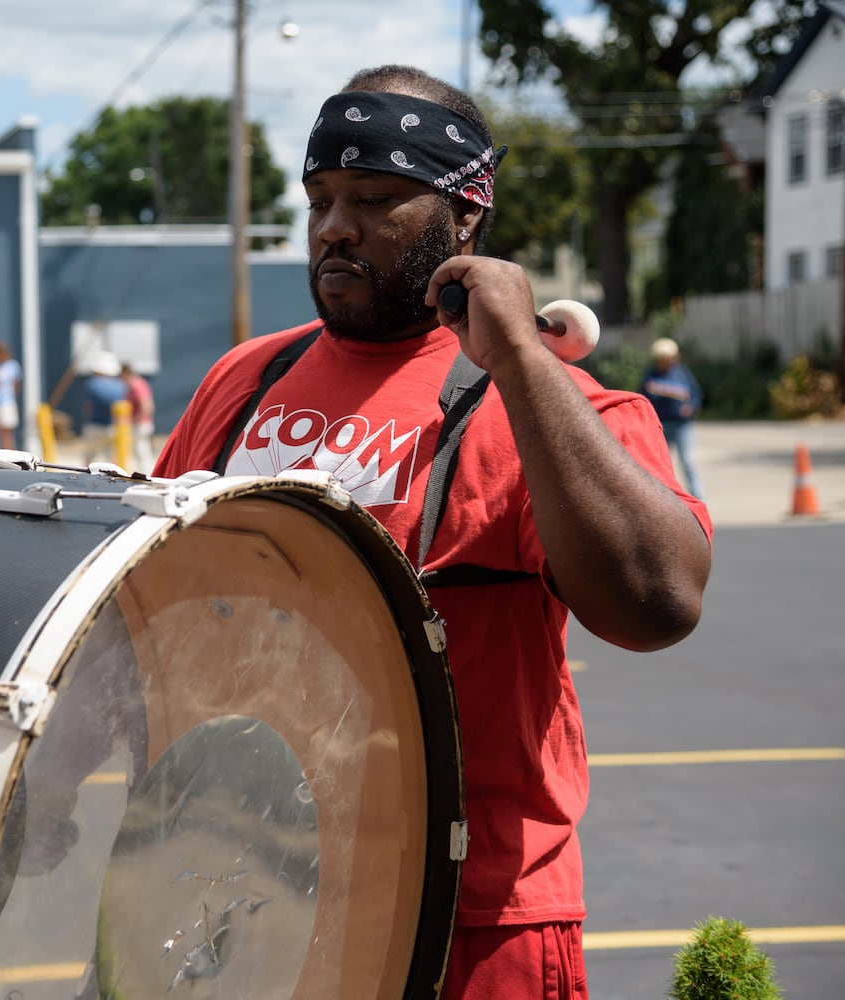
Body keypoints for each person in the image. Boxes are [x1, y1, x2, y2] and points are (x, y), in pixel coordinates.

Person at [153, 65, 712, 999]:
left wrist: (520, 359)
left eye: (375, 200)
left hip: (471, 917)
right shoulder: (243, 378)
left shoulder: (548, 406)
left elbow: (658, 602)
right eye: (321, 198)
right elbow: (151, 599)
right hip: (241, 899)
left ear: (465, 217)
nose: (336, 226)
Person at [641, 338, 706, 500]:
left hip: (682, 426)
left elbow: (696, 394)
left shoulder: (682, 373)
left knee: (688, 462)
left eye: (669, 359)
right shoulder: (651, 376)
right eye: (663, 359)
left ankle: (698, 498)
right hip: (661, 427)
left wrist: (691, 407)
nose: (667, 362)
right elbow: (642, 400)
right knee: (661, 465)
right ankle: (664, 499)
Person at [80, 351, 128, 467]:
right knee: (112, 460)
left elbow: (89, 407)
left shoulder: (92, 384)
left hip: (95, 425)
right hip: (115, 427)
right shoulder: (120, 385)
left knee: (89, 460)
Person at [119, 362, 156, 471]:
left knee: (142, 451)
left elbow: (146, 406)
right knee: (140, 451)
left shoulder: (136, 385)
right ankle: (146, 472)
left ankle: (148, 474)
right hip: (141, 422)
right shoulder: (138, 384)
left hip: (140, 424)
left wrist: (135, 421)